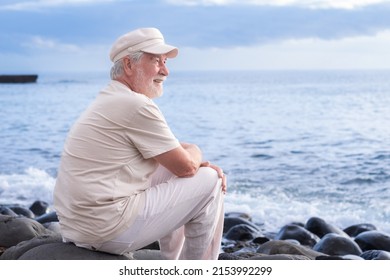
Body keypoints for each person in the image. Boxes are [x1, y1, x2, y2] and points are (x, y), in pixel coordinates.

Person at [53, 27, 226, 260]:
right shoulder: (136, 105)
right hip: (104, 229)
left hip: (78, 226)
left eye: (165, 62)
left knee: (174, 169)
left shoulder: (111, 98)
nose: (165, 71)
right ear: (128, 65)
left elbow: (171, 157)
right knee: (211, 180)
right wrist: (196, 151)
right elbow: (185, 166)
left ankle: (170, 263)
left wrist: (191, 160)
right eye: (156, 62)